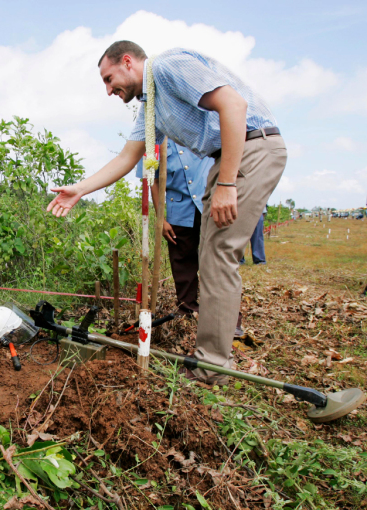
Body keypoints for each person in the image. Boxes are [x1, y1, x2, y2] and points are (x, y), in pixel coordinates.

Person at [47, 42, 286, 384]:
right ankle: (210, 358)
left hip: (251, 147)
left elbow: (233, 104)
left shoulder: (166, 67)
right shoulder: (151, 105)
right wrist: (80, 189)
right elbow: (127, 158)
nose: (108, 90)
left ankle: (211, 368)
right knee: (212, 251)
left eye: (108, 78)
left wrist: (227, 184)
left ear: (127, 62)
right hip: (231, 154)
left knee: (219, 255)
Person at [148, 140, 244, 335]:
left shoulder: (204, 131)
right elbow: (153, 180)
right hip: (179, 209)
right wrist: (161, 219)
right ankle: (187, 308)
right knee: (182, 260)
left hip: (212, 203)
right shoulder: (155, 142)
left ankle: (228, 316)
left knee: (218, 260)